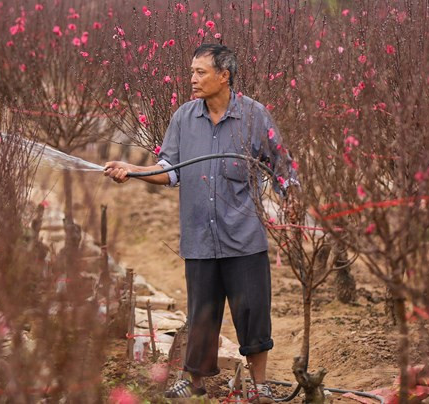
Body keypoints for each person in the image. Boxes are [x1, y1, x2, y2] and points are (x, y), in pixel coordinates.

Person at [104, 43, 296, 402]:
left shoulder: (255, 117)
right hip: (199, 236)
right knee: (202, 312)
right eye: (191, 72)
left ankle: (260, 384)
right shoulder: (183, 118)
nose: (192, 79)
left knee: (252, 312)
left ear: (224, 76)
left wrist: (291, 206)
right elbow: (168, 170)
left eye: (200, 72)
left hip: (243, 237)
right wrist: (133, 171)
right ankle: (195, 383)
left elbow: (283, 168)